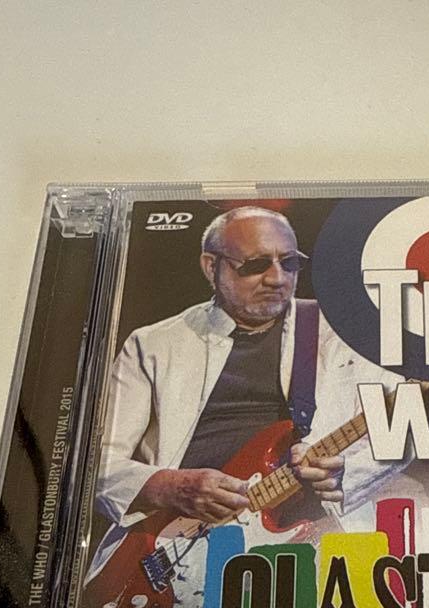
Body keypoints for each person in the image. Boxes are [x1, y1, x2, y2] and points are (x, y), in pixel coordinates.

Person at [90, 205, 402, 576]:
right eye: (256, 265)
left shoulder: (341, 334)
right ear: (211, 267)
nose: (277, 278)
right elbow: (93, 464)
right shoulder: (152, 344)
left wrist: (345, 473)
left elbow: (406, 428)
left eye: (290, 263)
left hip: (307, 550)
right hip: (162, 558)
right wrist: (169, 486)